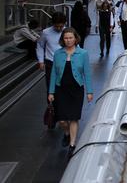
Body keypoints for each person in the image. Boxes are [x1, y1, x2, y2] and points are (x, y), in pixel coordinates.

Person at [48, 28, 93, 157]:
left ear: (75, 39)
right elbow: (53, 74)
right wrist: (51, 92)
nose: (68, 40)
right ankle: (67, 134)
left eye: (70, 38)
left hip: (76, 90)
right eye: (66, 38)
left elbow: (87, 74)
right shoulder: (58, 53)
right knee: (62, 120)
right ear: (62, 40)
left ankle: (72, 144)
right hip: (60, 90)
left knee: (74, 117)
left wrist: (89, 91)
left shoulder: (83, 53)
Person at [37, 12, 67, 101]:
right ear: (53, 24)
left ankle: (62, 106)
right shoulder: (46, 32)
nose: (58, 28)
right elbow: (40, 45)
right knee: (51, 87)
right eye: (56, 26)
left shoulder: (68, 32)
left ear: (64, 24)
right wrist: (41, 61)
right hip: (50, 63)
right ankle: (51, 108)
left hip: (65, 62)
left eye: (61, 26)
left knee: (64, 86)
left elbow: (76, 47)